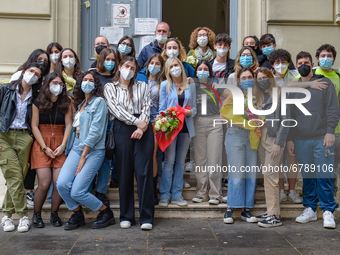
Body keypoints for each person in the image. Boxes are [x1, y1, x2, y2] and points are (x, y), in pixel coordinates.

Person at [57, 71, 115, 230]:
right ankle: (77, 213)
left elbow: (95, 131)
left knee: (77, 191)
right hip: (76, 147)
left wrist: (83, 156)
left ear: (95, 84)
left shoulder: (100, 102)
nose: (87, 82)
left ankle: (105, 211)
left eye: (91, 80)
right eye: (85, 80)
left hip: (93, 150)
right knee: (61, 184)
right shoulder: (81, 103)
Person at [287, 51, 339, 229]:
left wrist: (330, 131)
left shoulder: (325, 83)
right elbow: (290, 115)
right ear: (296, 65)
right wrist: (291, 139)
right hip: (300, 138)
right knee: (308, 176)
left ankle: (327, 211)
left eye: (306, 62)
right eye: (300, 62)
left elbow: (332, 108)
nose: (303, 65)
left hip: (321, 137)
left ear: (312, 64)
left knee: (324, 174)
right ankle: (309, 209)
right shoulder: (293, 87)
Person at [104, 56, 154, 230]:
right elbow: (115, 109)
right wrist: (135, 122)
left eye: (133, 68)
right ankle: (126, 216)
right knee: (124, 171)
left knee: (144, 172)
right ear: (119, 67)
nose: (129, 70)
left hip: (144, 129)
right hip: (123, 128)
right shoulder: (110, 87)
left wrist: (142, 126)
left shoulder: (143, 86)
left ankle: (146, 217)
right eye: (127, 66)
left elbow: (147, 107)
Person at [0, 63, 43, 232]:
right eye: (31, 71)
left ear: (38, 79)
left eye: (37, 74)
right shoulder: (6, 89)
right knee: (14, 176)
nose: (33, 75)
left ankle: (6, 216)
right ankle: (23, 215)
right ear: (24, 72)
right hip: (5, 135)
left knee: (18, 175)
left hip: (25, 137)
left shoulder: (36, 97)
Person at [9, 49, 51, 206]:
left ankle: (27, 191)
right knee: (15, 166)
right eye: (39, 59)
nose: (42, 62)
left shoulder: (43, 79)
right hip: (14, 128)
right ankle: (19, 194)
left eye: (45, 61)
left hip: (30, 127)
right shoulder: (20, 75)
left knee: (29, 161)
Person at [30, 73, 72, 228]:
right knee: (44, 182)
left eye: (61, 84)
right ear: (47, 84)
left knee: (59, 183)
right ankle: (37, 214)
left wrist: (63, 146)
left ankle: (54, 213)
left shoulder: (66, 102)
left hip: (61, 142)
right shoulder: (38, 102)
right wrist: (44, 147)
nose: (58, 86)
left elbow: (68, 125)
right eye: (55, 82)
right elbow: (34, 125)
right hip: (42, 142)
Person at [253, 67, 290, 227]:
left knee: (271, 175)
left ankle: (275, 215)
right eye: (259, 78)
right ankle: (271, 210)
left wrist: (278, 143)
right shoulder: (260, 96)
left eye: (264, 77)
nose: (262, 80)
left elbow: (286, 121)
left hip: (274, 138)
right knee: (267, 175)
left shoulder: (281, 93)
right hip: (261, 136)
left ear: (271, 77)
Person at [158, 57, 197, 207]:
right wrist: (170, 114)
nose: (175, 68)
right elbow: (161, 109)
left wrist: (189, 112)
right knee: (169, 161)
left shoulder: (190, 85)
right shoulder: (164, 85)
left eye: (177, 65)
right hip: (171, 127)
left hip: (186, 127)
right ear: (168, 70)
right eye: (172, 66)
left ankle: (177, 195)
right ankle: (164, 195)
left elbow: (194, 108)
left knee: (180, 162)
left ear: (181, 66)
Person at [221, 67, 258, 224]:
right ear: (239, 81)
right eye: (244, 78)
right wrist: (245, 124)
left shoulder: (257, 96)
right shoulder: (233, 96)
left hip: (253, 136)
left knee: (251, 173)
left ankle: (246, 209)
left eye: (250, 77)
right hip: (235, 135)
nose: (247, 80)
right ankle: (230, 208)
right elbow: (223, 116)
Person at [192, 60, 230, 205]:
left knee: (214, 159)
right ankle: (201, 193)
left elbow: (233, 96)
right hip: (198, 123)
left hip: (215, 123)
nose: (202, 71)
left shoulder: (216, 86)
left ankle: (215, 194)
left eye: (205, 69)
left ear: (210, 72)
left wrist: (224, 112)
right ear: (196, 72)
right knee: (201, 160)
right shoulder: (193, 87)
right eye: (200, 69)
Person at [269, 49, 302, 203]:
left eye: (284, 62)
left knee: (292, 157)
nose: (280, 65)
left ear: (289, 63)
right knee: (278, 159)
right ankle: (281, 190)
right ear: (272, 64)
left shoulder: (295, 77)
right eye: (277, 62)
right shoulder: (268, 79)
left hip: (292, 122)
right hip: (275, 124)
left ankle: (293, 190)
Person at [136, 53, 166, 204]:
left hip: (156, 121)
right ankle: (144, 189)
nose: (154, 66)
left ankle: (154, 190)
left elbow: (164, 105)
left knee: (155, 155)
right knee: (144, 156)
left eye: (157, 63)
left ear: (161, 67)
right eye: (152, 63)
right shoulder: (140, 81)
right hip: (141, 120)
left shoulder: (163, 83)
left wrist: (160, 122)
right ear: (147, 65)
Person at [93, 47, 118, 205]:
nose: (110, 63)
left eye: (113, 60)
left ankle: (101, 191)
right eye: (107, 59)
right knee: (91, 157)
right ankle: (87, 188)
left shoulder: (117, 77)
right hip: (95, 122)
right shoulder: (94, 76)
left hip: (111, 122)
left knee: (106, 158)